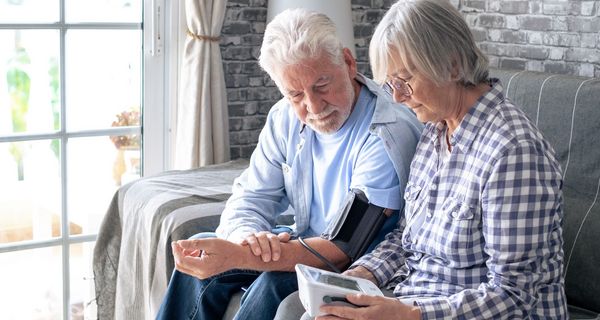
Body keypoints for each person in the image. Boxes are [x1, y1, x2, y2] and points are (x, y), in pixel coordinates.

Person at [275, 0, 569, 319]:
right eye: (391, 84)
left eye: (405, 81)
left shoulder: (513, 152)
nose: (398, 97)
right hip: (417, 294)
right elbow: (406, 240)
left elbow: (513, 295)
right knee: (302, 308)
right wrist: (360, 276)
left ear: (453, 66)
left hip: (468, 312)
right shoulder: (435, 128)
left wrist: (411, 315)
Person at [155, 8, 423, 320]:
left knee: (273, 282)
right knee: (200, 250)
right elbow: (252, 196)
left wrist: (242, 256)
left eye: (322, 85)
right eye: (295, 94)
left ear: (349, 63)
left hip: (358, 260)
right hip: (305, 241)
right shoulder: (283, 117)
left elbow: (342, 245)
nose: (313, 106)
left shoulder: (387, 132)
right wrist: (248, 238)